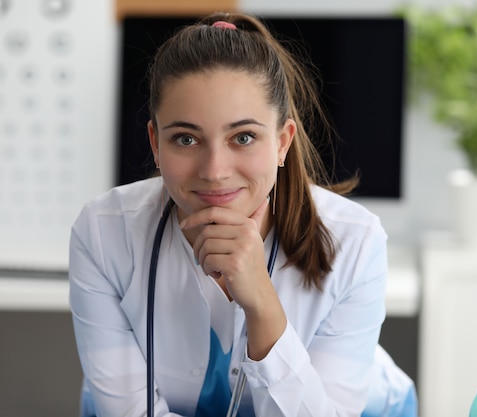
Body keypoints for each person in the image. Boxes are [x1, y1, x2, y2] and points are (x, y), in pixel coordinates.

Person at [69, 11, 417, 417]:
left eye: (244, 137)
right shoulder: (103, 233)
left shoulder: (355, 241)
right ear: (155, 144)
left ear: (283, 142)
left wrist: (262, 302)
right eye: (185, 138)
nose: (215, 170)